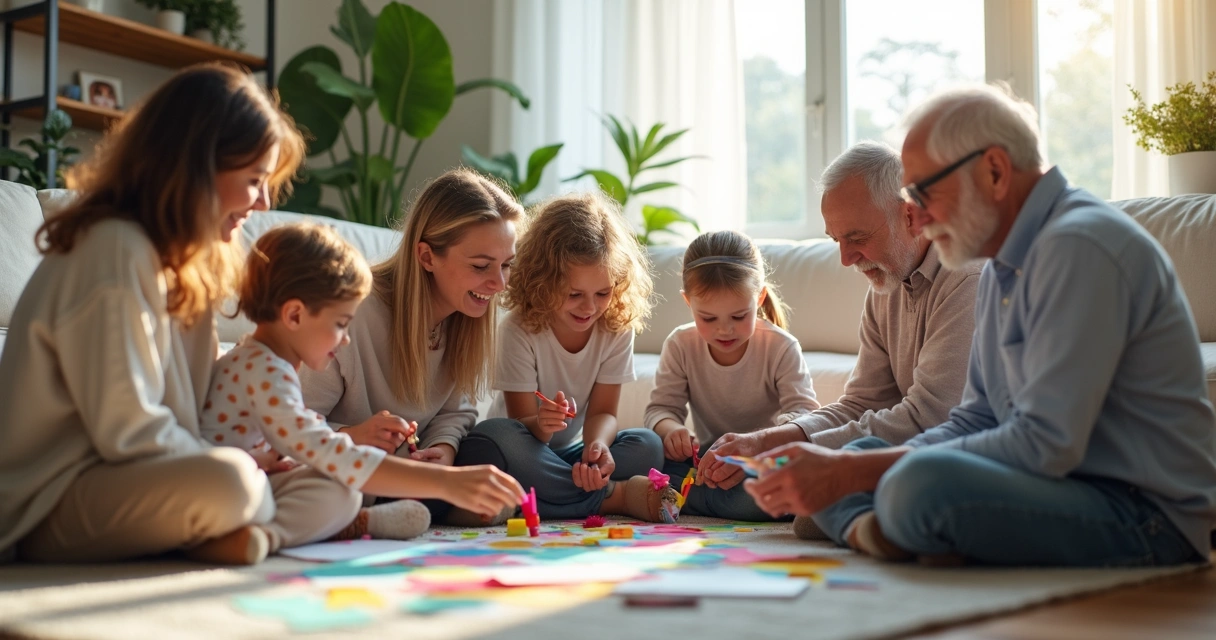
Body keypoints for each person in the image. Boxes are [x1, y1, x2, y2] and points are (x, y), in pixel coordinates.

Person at [745, 84, 1216, 567]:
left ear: (993, 170)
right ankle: (892, 528)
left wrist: (854, 475)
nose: (919, 217)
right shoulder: (1001, 264)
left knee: (914, 484)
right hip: (1057, 486)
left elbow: (1045, 443)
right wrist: (850, 464)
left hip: (1145, 512)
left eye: (924, 193)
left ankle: (894, 522)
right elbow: (975, 419)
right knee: (865, 456)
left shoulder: (1079, 247)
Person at [0, 63, 301, 564]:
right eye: (253, 180)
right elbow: (130, 431)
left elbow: (196, 412)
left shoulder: (188, 263)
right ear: (196, 168)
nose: (264, 202)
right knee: (233, 483)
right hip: (46, 502)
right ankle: (244, 528)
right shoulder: (114, 247)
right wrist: (238, 465)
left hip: (137, 477)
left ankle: (236, 534)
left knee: (317, 477)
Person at [699, 142, 981, 536]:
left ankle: (876, 525)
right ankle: (875, 527)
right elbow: (863, 402)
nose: (847, 259)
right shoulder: (885, 285)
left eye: (857, 237)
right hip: (915, 454)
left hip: (961, 453)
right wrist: (764, 441)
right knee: (814, 502)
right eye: (836, 241)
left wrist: (816, 458)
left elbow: (930, 418)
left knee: (829, 492)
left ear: (911, 215)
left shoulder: (968, 277)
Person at [200, 223, 523, 556]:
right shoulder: (264, 370)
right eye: (340, 324)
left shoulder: (269, 364)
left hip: (258, 478)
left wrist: (271, 456)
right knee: (342, 481)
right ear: (295, 315)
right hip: (222, 491)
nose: (346, 338)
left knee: (342, 490)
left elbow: (291, 444)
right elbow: (326, 449)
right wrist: (447, 482)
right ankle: (267, 537)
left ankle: (347, 520)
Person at [301, 169, 527, 524]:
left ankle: (416, 504)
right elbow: (288, 422)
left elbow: (457, 412)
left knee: (497, 442)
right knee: (320, 483)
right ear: (426, 257)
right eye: (482, 266)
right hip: (339, 462)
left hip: (410, 468)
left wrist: (443, 449)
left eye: (506, 265)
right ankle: (395, 510)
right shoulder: (352, 311)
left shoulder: (467, 312)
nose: (498, 284)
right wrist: (352, 436)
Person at [473, 192, 676, 522]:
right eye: (574, 294)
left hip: (570, 456)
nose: (590, 307)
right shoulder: (519, 330)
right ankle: (614, 497)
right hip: (528, 446)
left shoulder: (615, 328)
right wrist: (541, 424)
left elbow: (605, 412)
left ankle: (536, 499)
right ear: (543, 282)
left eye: (603, 293)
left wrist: (598, 450)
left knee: (647, 445)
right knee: (493, 439)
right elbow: (520, 421)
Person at [645, 230, 820, 521]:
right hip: (706, 463)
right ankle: (715, 499)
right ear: (688, 302)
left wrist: (754, 446)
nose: (724, 330)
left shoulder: (781, 347)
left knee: (780, 479)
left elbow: (805, 415)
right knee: (642, 447)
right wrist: (670, 430)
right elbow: (660, 409)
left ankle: (689, 498)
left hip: (759, 461)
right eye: (708, 318)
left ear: (760, 297)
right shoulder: (680, 344)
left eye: (739, 316)